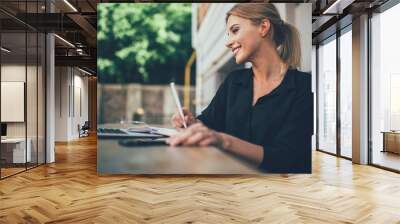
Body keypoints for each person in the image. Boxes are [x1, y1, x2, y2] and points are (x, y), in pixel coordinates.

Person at [167, 3, 313, 173]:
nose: (228, 43)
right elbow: (209, 123)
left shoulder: (303, 87)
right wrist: (192, 122)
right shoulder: (234, 81)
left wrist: (223, 141)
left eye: (235, 30)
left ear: (263, 27)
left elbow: (287, 158)